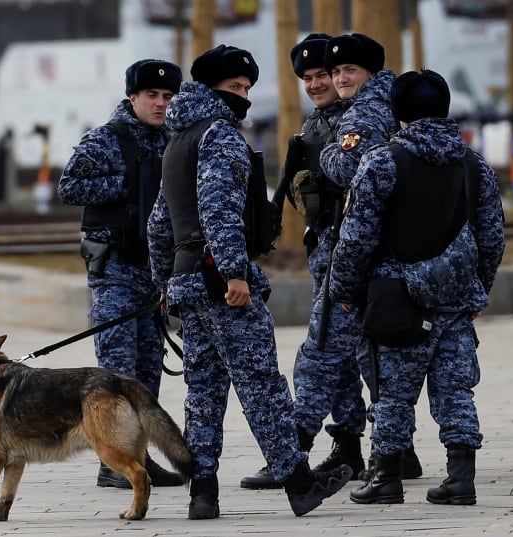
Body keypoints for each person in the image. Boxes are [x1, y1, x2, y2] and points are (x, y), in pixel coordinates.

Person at [147, 44, 351, 520]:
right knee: (262, 385)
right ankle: (300, 484)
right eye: (235, 87)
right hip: (222, 283)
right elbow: (220, 210)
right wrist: (233, 273)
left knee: (203, 391)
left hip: (187, 283)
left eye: (247, 89)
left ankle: (203, 491)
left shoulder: (177, 139)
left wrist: (164, 282)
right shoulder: (218, 135)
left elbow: (159, 223)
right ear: (213, 87)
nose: (243, 96)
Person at [328, 69, 505, 505]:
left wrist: (345, 291)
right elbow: (492, 235)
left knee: (392, 390)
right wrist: (478, 288)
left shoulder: (382, 160)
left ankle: (386, 476)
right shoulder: (472, 163)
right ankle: (460, 477)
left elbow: (356, 237)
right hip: (455, 299)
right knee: (456, 388)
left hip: (396, 298)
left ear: (398, 112)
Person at [240, 33, 366, 490]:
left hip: (357, 257)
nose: (317, 84)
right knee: (347, 359)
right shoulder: (315, 125)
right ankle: (355, 448)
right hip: (328, 254)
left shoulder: (361, 122)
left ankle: (294, 455)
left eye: (325, 75)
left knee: (323, 353)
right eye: (310, 77)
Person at [58, 58, 185, 489]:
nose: (160, 104)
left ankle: (136, 459)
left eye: (168, 96)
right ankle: (113, 462)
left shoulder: (173, 141)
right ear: (132, 97)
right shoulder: (104, 140)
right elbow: (69, 186)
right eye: (152, 95)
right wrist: (128, 184)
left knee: (146, 375)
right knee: (115, 372)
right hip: (114, 271)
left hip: (154, 275)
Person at [316, 33, 424, 481]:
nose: (341, 77)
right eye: (336, 71)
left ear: (371, 75)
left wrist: (324, 151)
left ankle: (392, 456)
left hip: (373, 255)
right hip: (387, 251)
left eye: (350, 71)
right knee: (376, 355)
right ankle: (398, 451)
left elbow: (347, 165)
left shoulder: (366, 110)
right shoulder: (375, 104)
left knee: (373, 356)